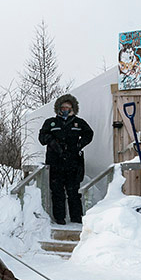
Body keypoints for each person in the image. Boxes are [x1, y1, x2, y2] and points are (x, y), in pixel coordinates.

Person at [38, 94, 93, 225]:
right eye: (63, 107)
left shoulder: (78, 123)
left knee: (73, 191)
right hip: (55, 162)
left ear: (73, 108)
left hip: (73, 163)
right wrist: (51, 142)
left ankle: (76, 218)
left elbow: (89, 134)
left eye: (68, 107)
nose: (65, 109)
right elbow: (42, 137)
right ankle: (60, 218)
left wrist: (79, 145)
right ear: (58, 108)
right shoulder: (51, 122)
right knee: (57, 192)